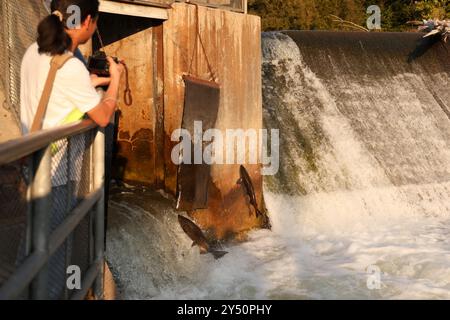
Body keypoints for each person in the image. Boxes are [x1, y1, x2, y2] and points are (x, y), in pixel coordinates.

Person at [19, 0, 124, 299]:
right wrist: (114, 83)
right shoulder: (70, 63)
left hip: (33, 167)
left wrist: (94, 81)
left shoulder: (33, 52)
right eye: (96, 21)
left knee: (30, 250)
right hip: (58, 174)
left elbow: (57, 92)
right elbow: (103, 116)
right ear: (87, 20)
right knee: (53, 254)